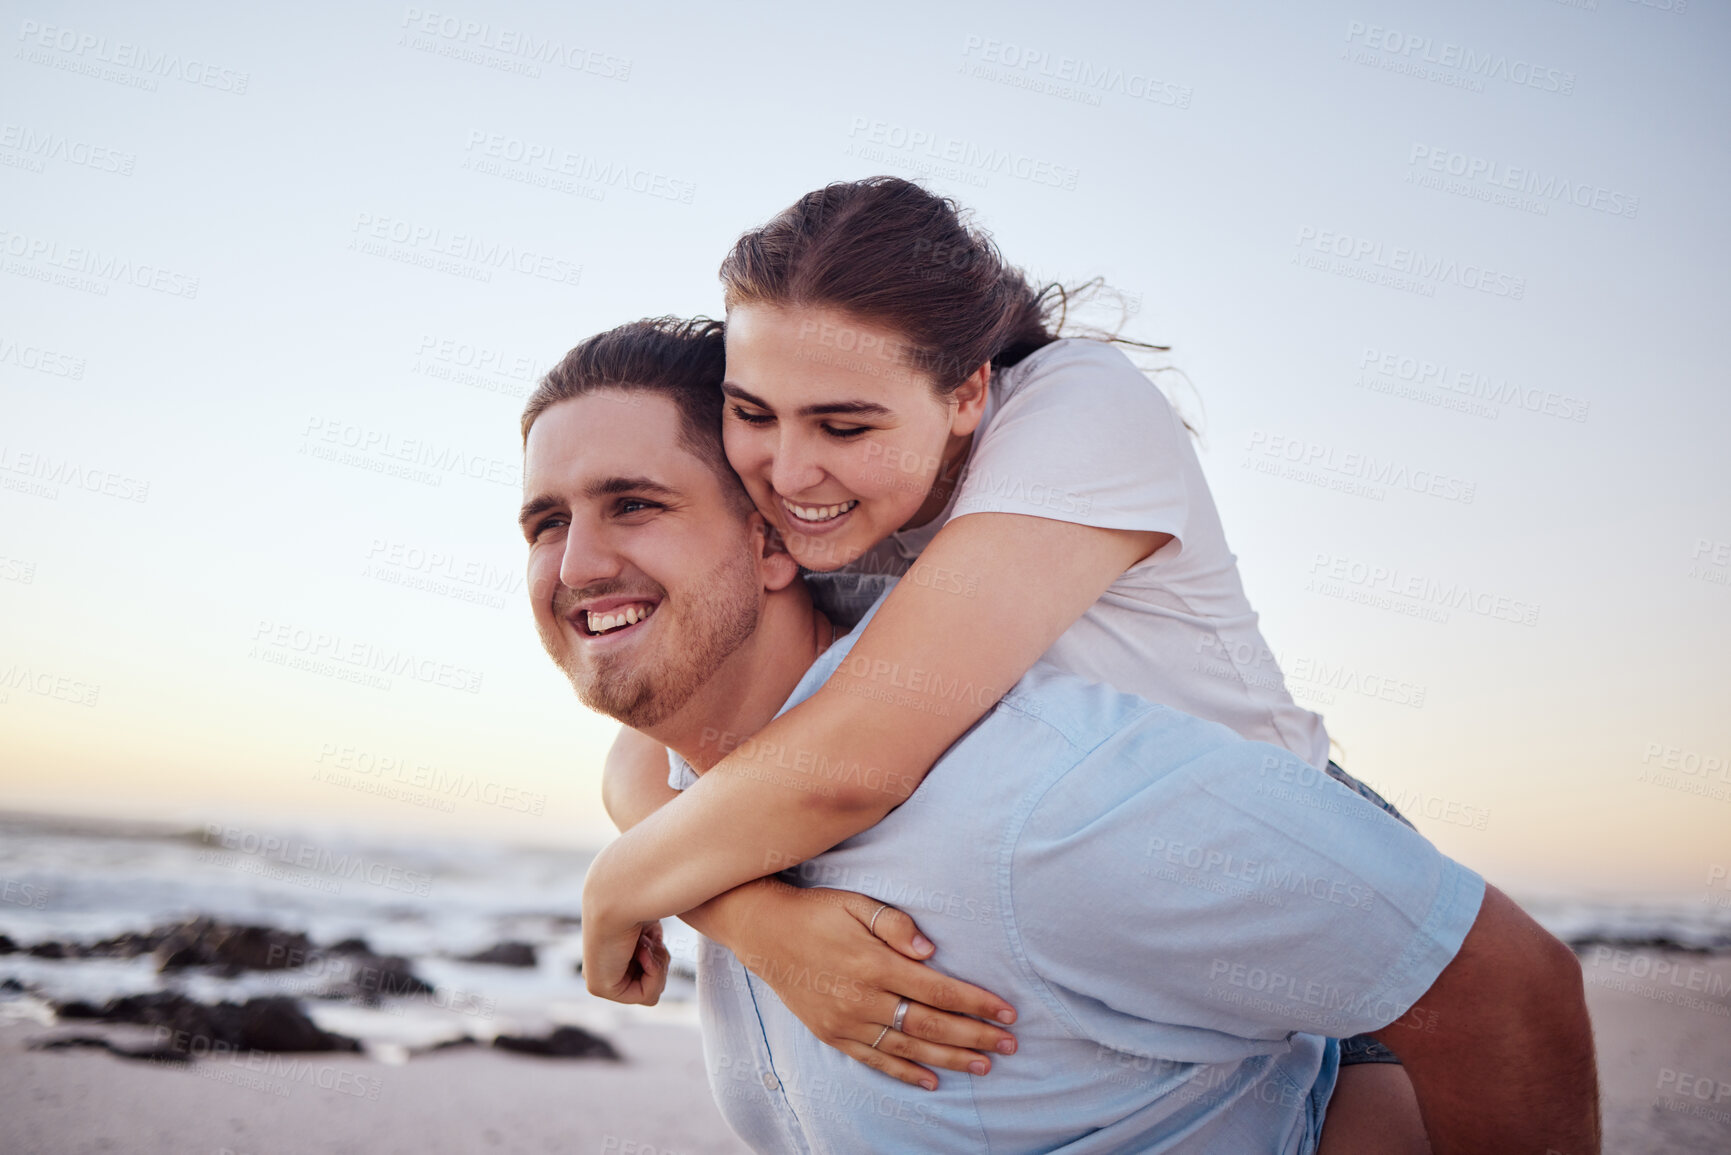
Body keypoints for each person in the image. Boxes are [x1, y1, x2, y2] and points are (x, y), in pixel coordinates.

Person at [518, 318, 1600, 1153]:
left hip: (1296, 804)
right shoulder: (699, 800)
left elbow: (1511, 994)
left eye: (634, 504)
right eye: (545, 521)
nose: (576, 566)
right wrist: (728, 906)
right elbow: (644, 769)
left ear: (775, 540)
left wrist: (625, 886)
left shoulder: (1031, 796)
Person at [581, 178, 1425, 1135]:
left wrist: (620, 888)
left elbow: (857, 756)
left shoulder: (1078, 405)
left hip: (1288, 865)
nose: (787, 468)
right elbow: (646, 754)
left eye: (844, 425)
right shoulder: (840, 511)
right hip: (1108, 918)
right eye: (752, 410)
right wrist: (753, 922)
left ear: (968, 390)